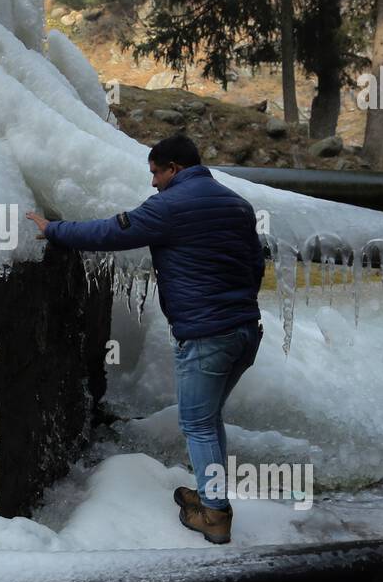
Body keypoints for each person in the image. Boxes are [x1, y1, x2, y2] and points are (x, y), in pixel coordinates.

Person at [25, 134, 264, 544]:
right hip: (245, 331)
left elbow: (112, 232)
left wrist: (56, 230)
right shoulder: (237, 205)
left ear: (174, 168)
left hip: (206, 336)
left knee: (198, 425)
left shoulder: (171, 206)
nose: (153, 182)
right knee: (209, 420)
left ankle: (215, 516)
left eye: (156, 172)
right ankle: (212, 495)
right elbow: (256, 264)